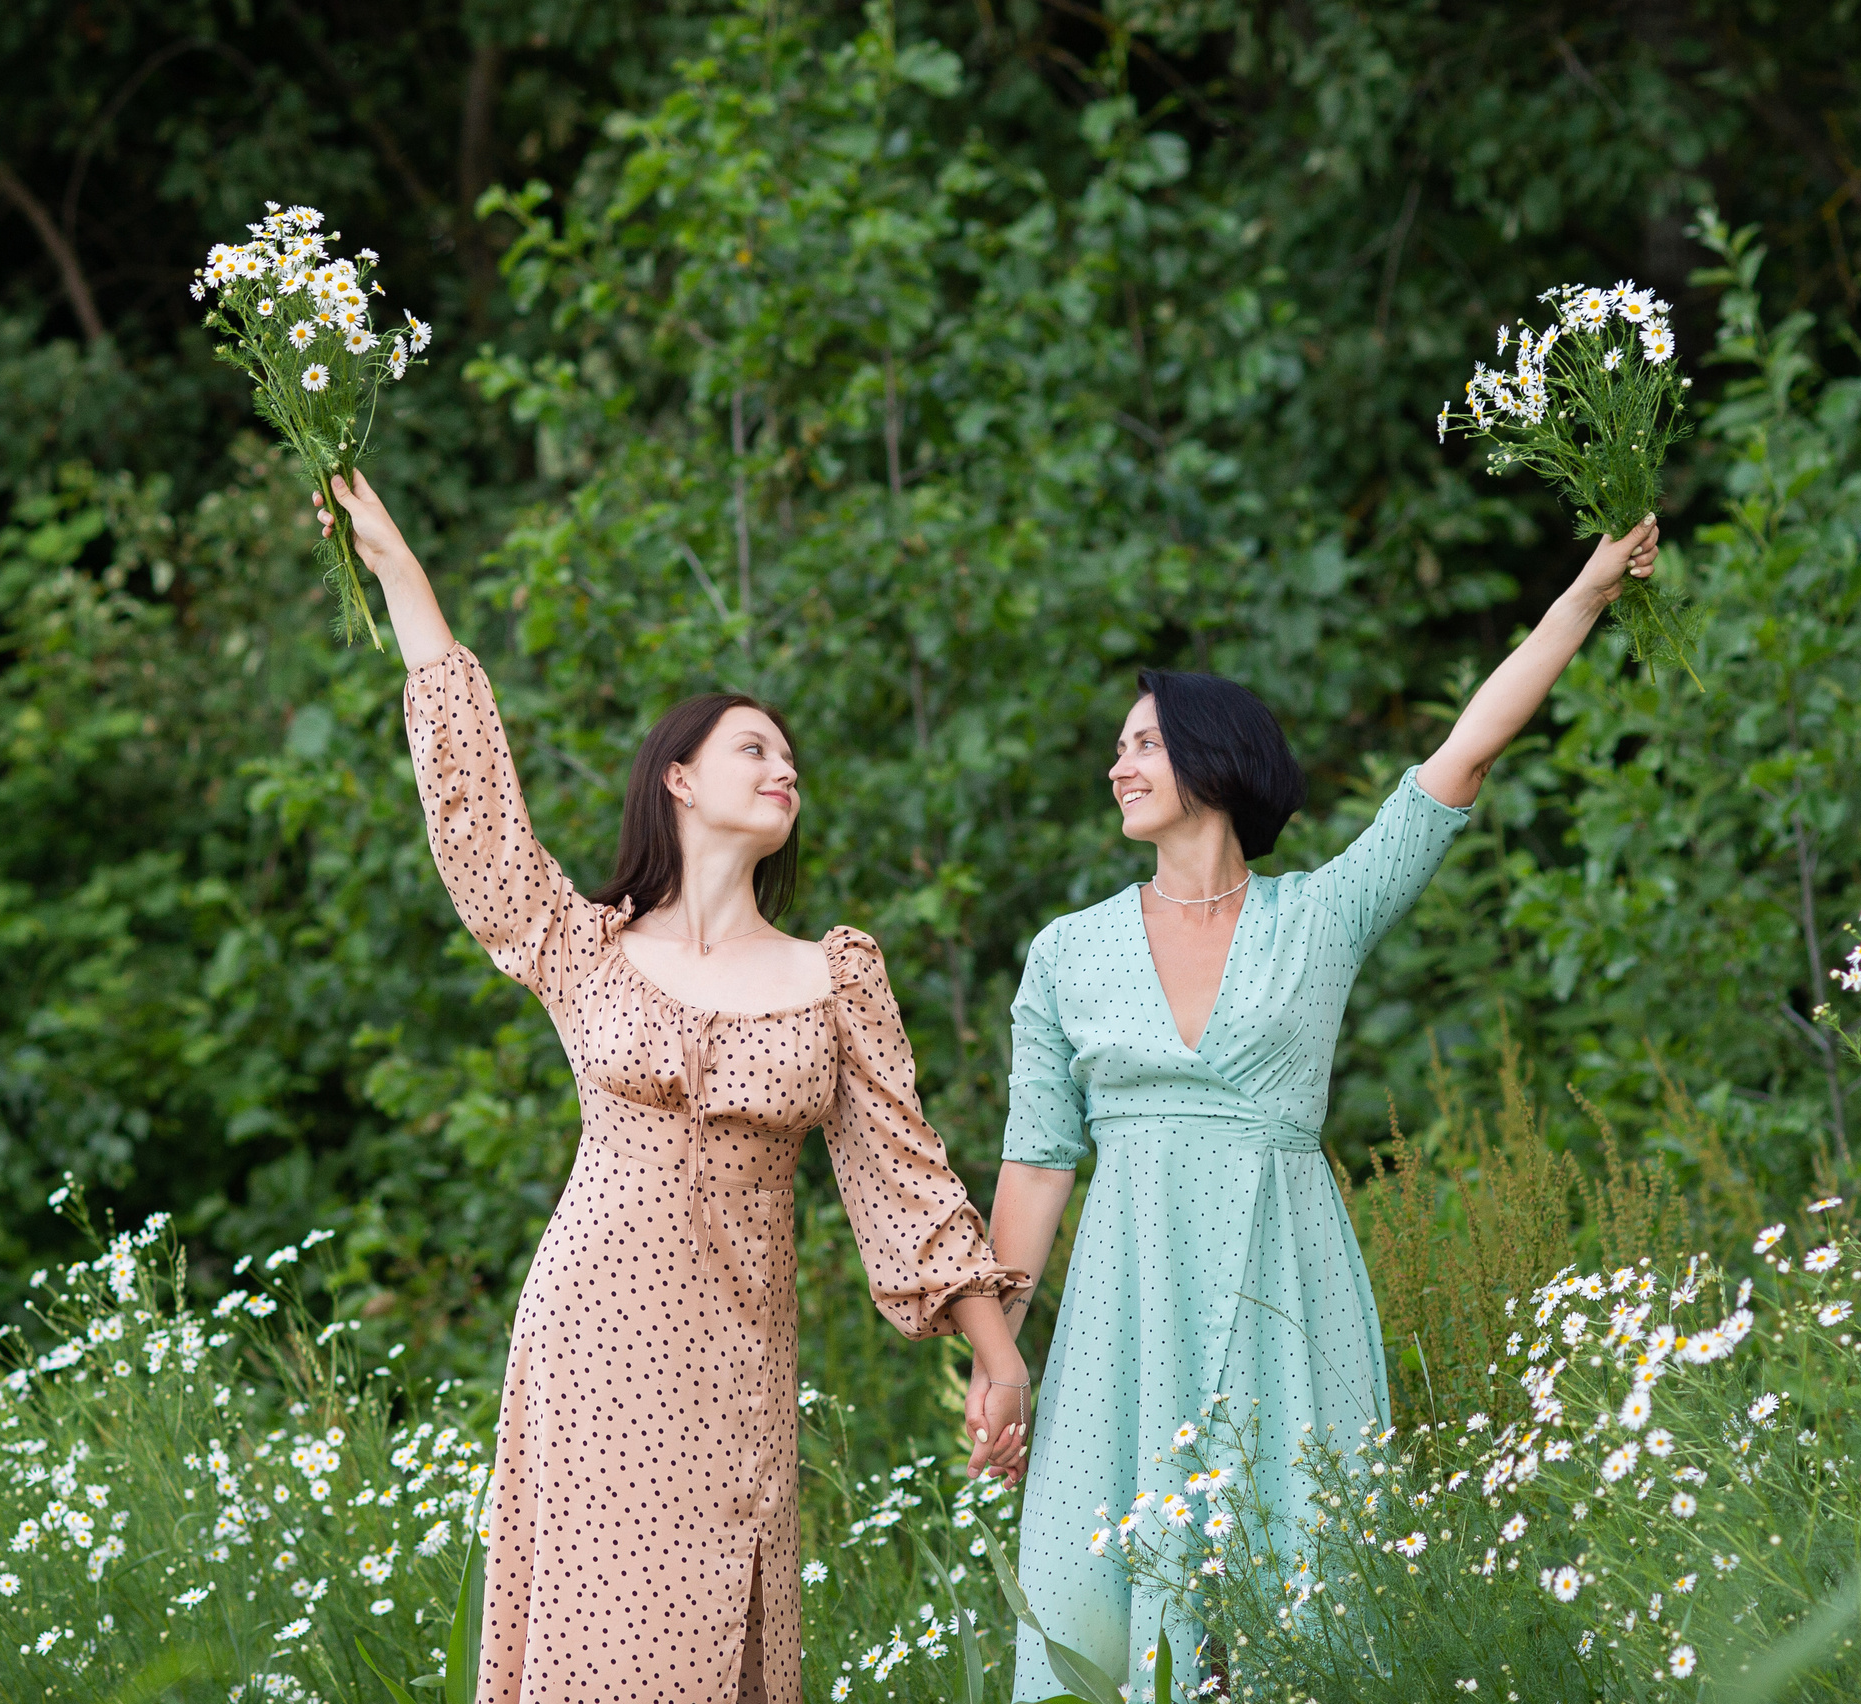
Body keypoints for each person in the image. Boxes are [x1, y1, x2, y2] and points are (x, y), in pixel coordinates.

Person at [313, 471, 1033, 1704]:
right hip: (589, 1335)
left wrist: (996, 1354)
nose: (784, 769)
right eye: (754, 747)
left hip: (732, 1356)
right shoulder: (585, 944)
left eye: (793, 759)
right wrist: (398, 573)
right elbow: (478, 819)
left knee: (714, 1648)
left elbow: (901, 1174)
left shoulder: (832, 975)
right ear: (680, 781)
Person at [987, 520, 1662, 1696]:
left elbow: (1463, 753)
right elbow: (1039, 1161)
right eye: (1116, 749)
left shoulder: (1322, 918)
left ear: (1214, 756)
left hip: (1283, 1283)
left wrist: (1586, 594)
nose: (1117, 766)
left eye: (1142, 743)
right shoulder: (1067, 952)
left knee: (1292, 1579)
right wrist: (998, 1359)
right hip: (1126, 1304)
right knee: (1108, 1602)